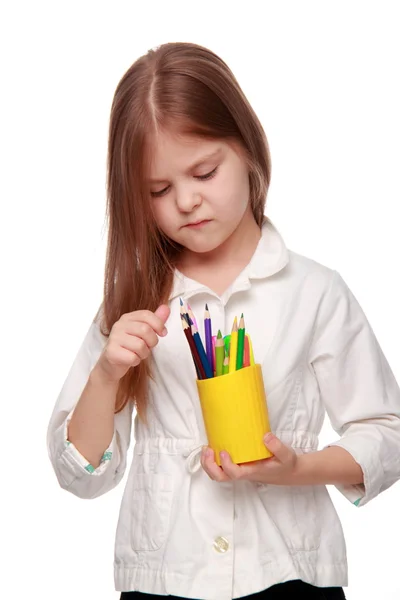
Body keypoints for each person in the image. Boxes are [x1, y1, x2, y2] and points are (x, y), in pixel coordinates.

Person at [47, 42, 400, 600]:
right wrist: (106, 373)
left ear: (249, 149)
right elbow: (81, 473)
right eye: (159, 191)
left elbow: (387, 431)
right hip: (165, 578)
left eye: (205, 171)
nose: (187, 201)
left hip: (289, 572)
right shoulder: (132, 301)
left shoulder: (314, 291)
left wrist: (294, 468)